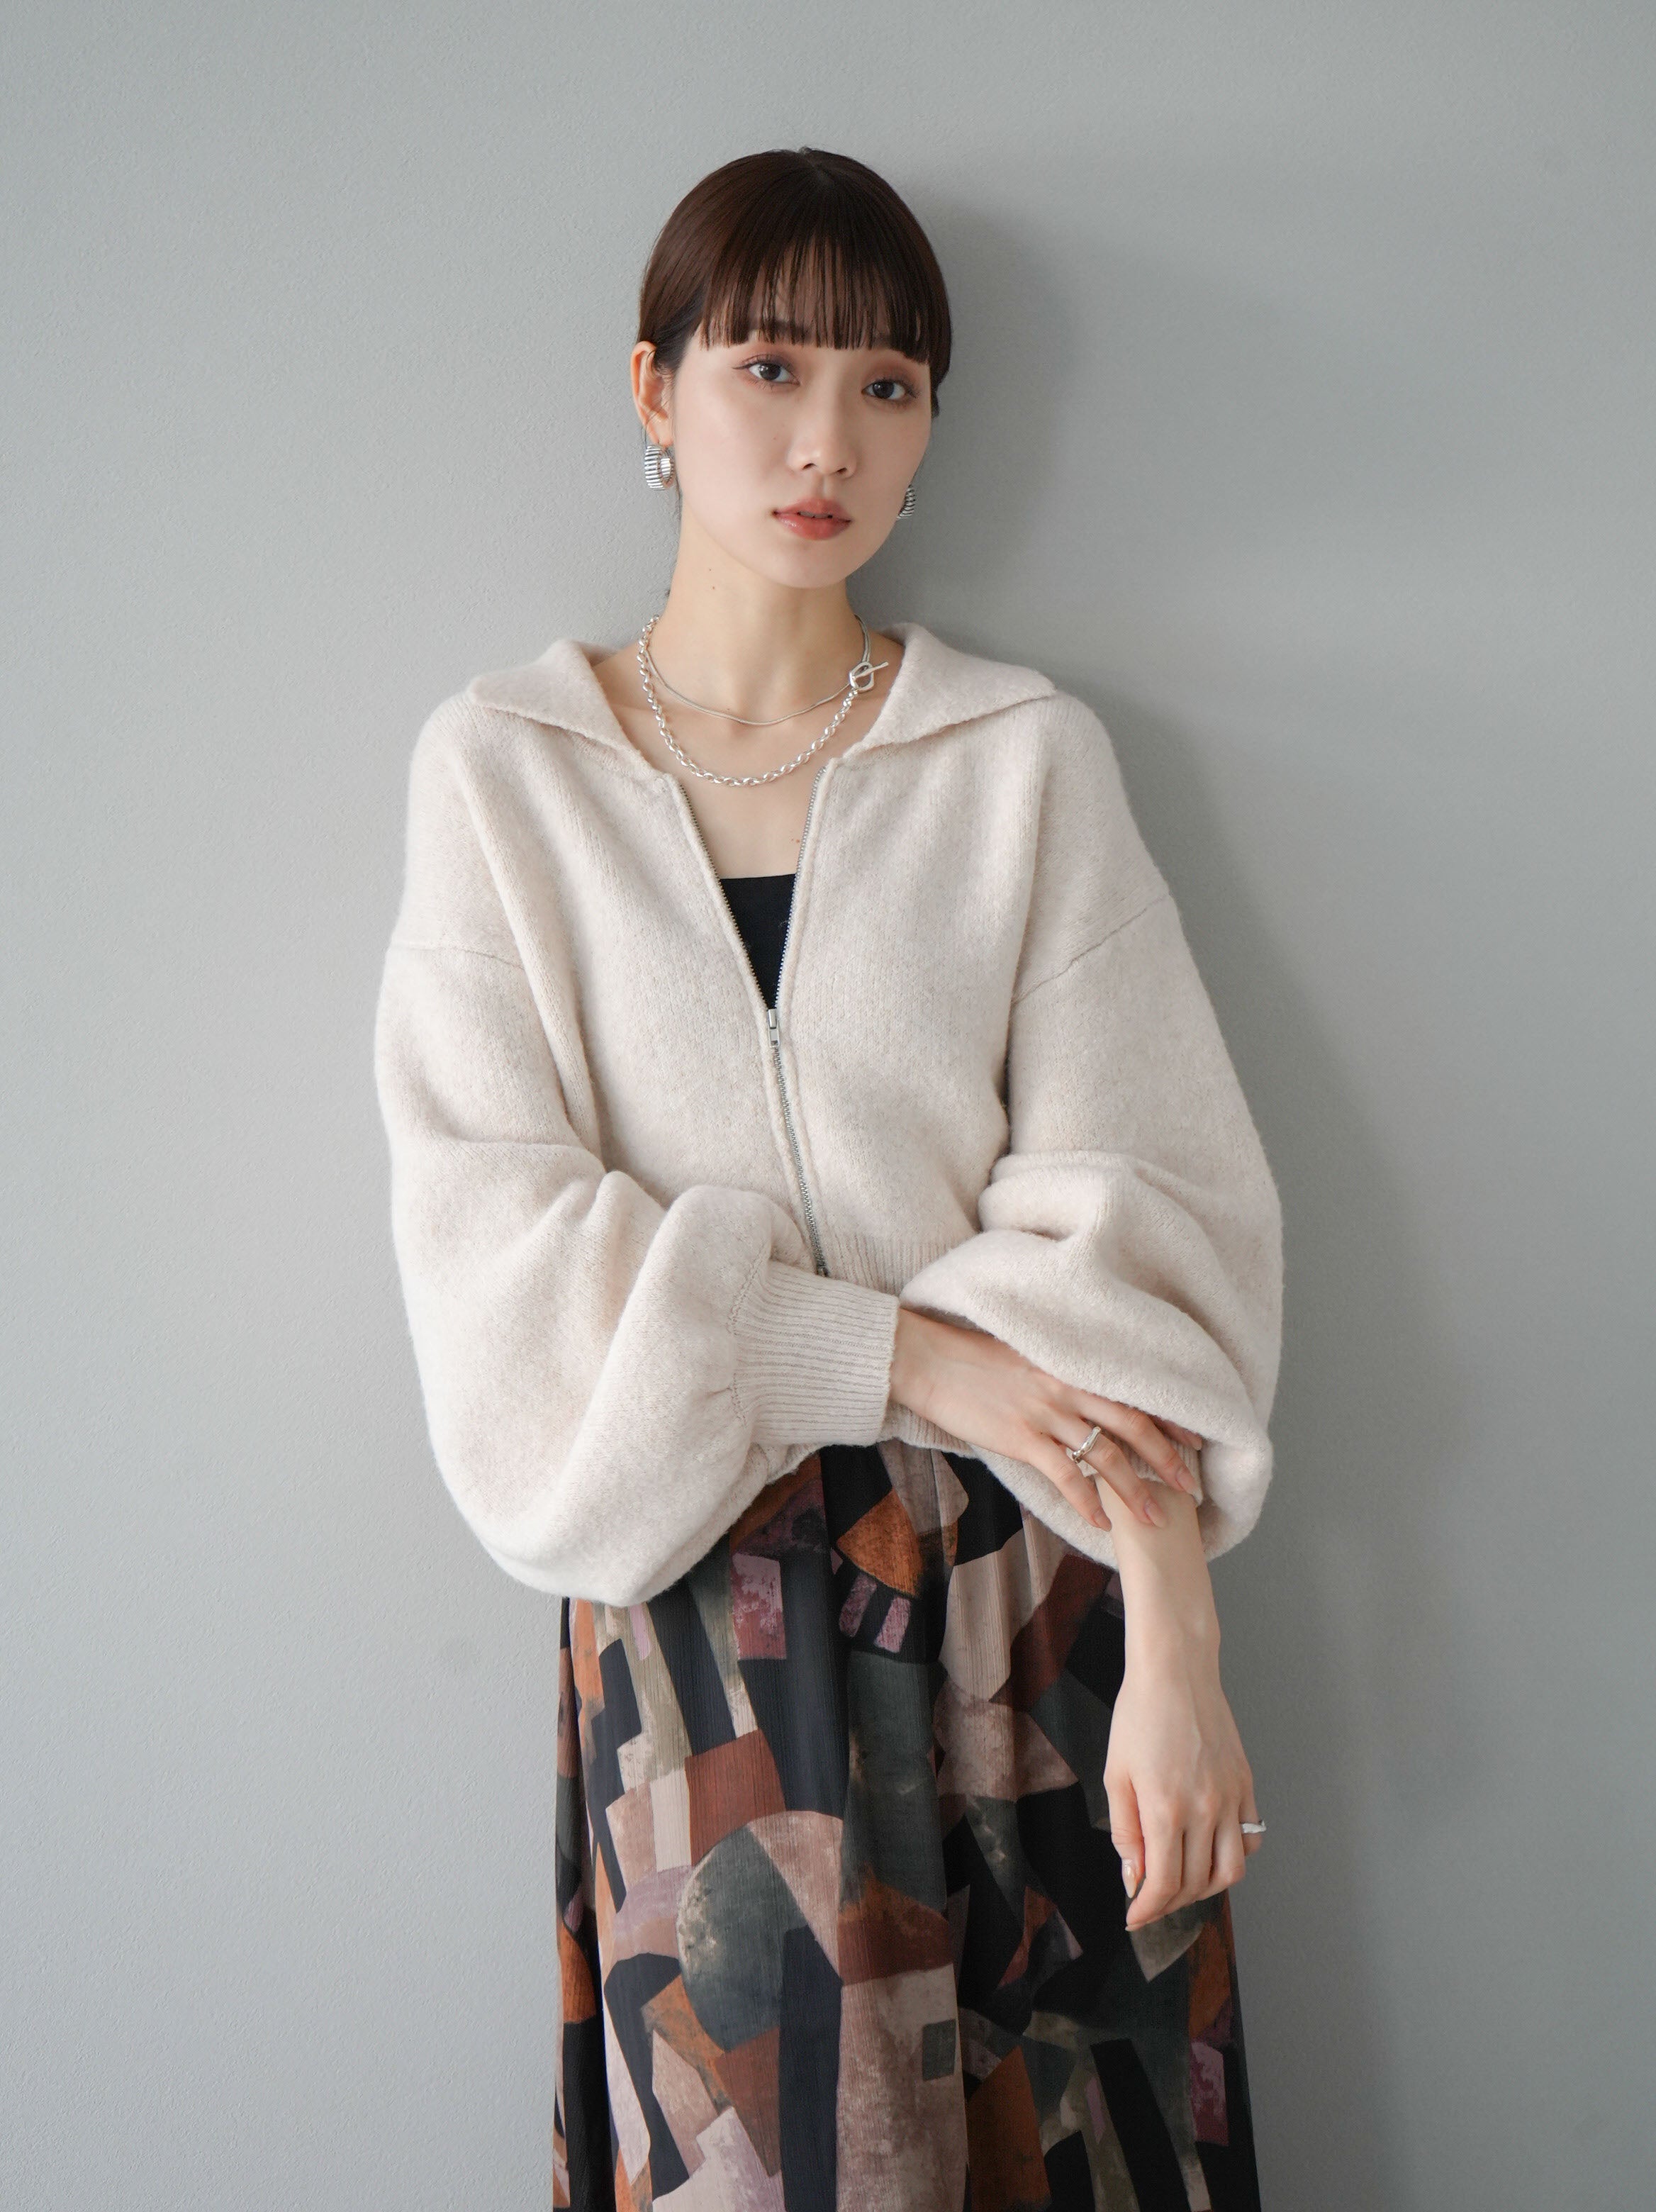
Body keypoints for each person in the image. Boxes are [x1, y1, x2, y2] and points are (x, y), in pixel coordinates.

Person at [375, 146, 1283, 2212]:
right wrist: (899, 1354)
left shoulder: (1021, 760)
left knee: (1091, 2165)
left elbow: (1155, 1228)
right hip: (704, 1604)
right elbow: (496, 1241)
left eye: (888, 386)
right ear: (653, 388)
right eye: (769, 368)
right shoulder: (505, 775)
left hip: (1040, 1585)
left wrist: (1178, 1644)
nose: (826, 443)